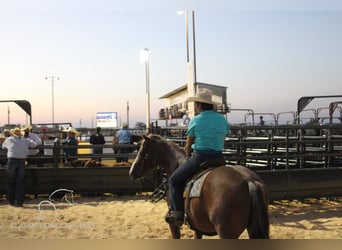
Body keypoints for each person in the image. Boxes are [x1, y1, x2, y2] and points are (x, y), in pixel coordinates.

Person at [165, 88, 229, 226]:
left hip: (200, 157)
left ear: (199, 105)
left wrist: (188, 155)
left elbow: (188, 144)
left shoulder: (196, 120)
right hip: (219, 157)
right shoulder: (222, 119)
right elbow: (224, 135)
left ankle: (177, 214)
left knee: (174, 180)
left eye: (195, 104)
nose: (195, 106)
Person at [2, 127, 38, 207]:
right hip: (21, 161)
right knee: (20, 183)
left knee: (11, 182)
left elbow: (3, 147)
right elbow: (35, 144)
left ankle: (11, 201)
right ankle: (20, 202)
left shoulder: (9, 139)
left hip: (11, 161)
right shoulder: (26, 140)